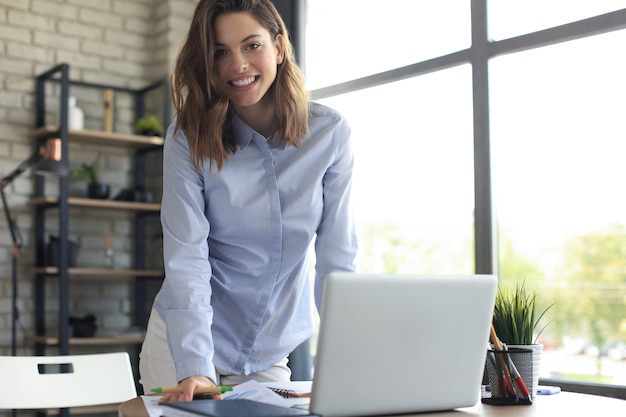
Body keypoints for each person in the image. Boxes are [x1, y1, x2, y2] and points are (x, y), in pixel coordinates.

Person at [138, 0, 358, 404]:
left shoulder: (329, 134)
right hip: (182, 350)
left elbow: (337, 259)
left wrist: (354, 361)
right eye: (220, 52)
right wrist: (196, 368)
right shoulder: (187, 137)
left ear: (278, 46)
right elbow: (187, 257)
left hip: (268, 351)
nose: (237, 64)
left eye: (251, 45)